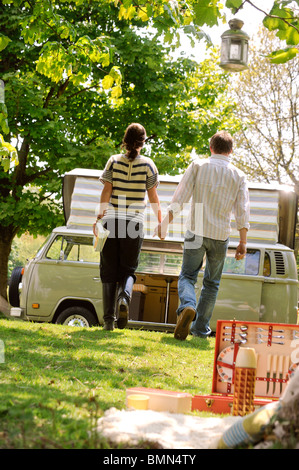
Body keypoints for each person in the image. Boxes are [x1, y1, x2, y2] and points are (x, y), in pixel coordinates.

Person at [154, 130, 250, 340]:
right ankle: (199, 329)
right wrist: (243, 241)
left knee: (188, 275)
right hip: (220, 236)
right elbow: (242, 211)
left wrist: (164, 223)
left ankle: (188, 306)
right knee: (211, 283)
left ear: (211, 147)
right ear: (231, 151)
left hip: (196, 231)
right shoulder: (239, 175)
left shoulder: (198, 166)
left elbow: (181, 196)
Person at [93, 123, 161, 331]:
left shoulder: (113, 161)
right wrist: (161, 221)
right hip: (134, 223)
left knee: (108, 271)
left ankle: (108, 321)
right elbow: (153, 197)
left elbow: (106, 191)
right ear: (143, 141)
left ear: (125, 139)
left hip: (111, 220)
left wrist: (98, 217)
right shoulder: (149, 165)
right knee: (128, 271)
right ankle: (124, 298)